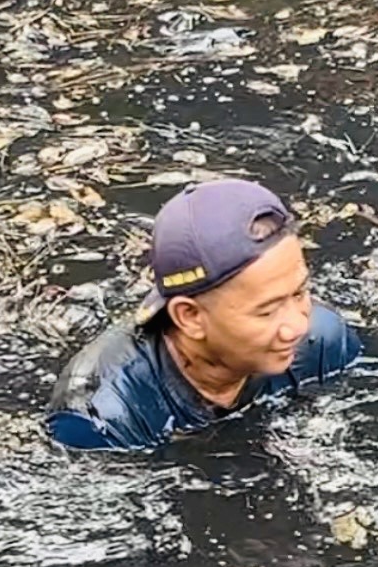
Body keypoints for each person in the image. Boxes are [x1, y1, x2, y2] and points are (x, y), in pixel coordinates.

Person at [48, 178, 362, 451]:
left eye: (299, 293)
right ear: (190, 317)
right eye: (267, 311)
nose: (297, 326)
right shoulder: (103, 415)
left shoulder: (323, 342)